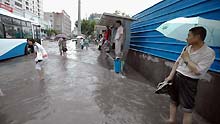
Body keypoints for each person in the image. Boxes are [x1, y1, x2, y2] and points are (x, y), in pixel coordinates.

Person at [165, 27, 215, 124]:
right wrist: (170, 77)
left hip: (189, 82)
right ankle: (172, 120)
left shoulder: (209, 53)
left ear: (197, 37)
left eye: (189, 35)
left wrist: (187, 59)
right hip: (177, 76)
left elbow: (198, 71)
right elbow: (177, 63)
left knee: (187, 108)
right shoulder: (187, 48)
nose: (186, 38)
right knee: (173, 100)